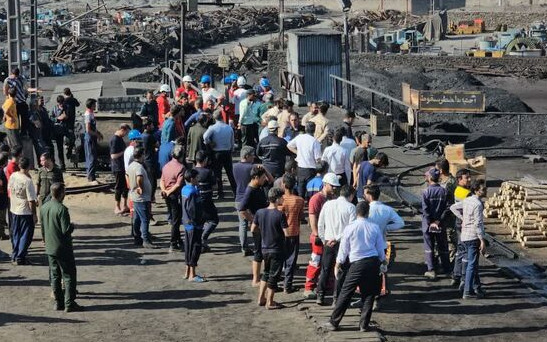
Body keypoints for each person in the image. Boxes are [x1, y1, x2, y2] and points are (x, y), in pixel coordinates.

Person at [321, 201, 387, 333]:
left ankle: (334, 322)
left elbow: (344, 250)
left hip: (357, 264)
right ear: (368, 213)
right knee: (369, 295)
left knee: (346, 292)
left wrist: (338, 263)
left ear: (356, 212)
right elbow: (381, 248)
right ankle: (364, 325)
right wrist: (383, 262)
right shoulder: (374, 227)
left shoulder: (350, 228)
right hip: (373, 263)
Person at [41, 182, 83, 312]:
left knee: (55, 275)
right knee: (69, 275)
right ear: (61, 194)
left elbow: (43, 228)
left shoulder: (44, 207)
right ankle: (69, 303)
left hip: (50, 247)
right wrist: (72, 226)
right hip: (62, 248)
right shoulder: (62, 209)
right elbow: (65, 230)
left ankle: (58, 302)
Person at [365, 185, 404, 308]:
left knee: (366, 273)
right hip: (381, 244)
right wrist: (387, 228)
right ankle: (379, 296)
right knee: (381, 271)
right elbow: (400, 223)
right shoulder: (386, 209)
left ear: (369, 195)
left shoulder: (365, 209)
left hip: (366, 246)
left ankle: (367, 297)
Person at [316, 184, 356, 306]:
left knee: (325, 269)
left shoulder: (328, 204)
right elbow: (351, 228)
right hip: (342, 243)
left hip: (327, 242)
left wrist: (323, 239)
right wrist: (337, 238)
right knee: (340, 271)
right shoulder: (351, 208)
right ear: (351, 195)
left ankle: (320, 295)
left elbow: (320, 223)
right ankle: (336, 298)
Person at [303, 173, 339, 299]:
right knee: (316, 262)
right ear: (325, 184)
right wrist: (317, 234)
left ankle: (328, 285)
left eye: (336, 186)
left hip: (329, 235)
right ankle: (309, 287)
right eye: (332, 186)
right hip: (319, 236)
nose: (335, 188)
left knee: (330, 262)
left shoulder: (333, 199)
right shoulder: (316, 199)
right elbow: (312, 217)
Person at [450, 179, 487, 299]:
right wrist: (482, 240)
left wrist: (463, 218)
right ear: (476, 191)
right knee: (472, 264)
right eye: (483, 189)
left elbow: (453, 207)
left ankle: (477, 288)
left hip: (464, 236)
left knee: (473, 263)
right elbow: (478, 224)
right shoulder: (478, 204)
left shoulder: (467, 200)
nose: (485, 191)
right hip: (473, 237)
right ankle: (467, 291)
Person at [253, 187, 287, 309]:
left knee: (266, 273)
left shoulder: (260, 212)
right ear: (277, 199)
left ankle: (261, 298)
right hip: (276, 249)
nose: (283, 198)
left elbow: (253, 229)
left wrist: (263, 233)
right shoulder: (280, 214)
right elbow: (286, 233)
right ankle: (270, 302)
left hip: (264, 248)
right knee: (274, 276)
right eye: (281, 197)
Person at [238, 165, 272, 286]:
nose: (265, 179)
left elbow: (271, 181)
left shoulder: (258, 186)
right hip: (258, 227)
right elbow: (241, 209)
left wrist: (264, 169)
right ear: (256, 177)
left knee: (263, 251)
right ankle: (256, 279)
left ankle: (262, 277)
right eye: (262, 177)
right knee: (258, 252)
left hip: (263, 224)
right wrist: (254, 220)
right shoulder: (250, 190)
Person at [421, 168, 450, 280]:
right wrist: (438, 221)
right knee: (443, 246)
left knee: (429, 247)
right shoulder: (444, 191)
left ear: (430, 178)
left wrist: (430, 222)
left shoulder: (425, 192)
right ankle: (447, 269)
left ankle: (431, 270)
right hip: (440, 224)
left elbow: (425, 210)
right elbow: (447, 208)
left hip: (428, 225)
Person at [8, 157, 38, 265]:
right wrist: (34, 214)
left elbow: (10, 189)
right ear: (29, 166)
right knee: (26, 235)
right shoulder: (27, 181)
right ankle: (20, 256)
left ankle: (15, 254)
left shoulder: (13, 176)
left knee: (16, 233)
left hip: (14, 209)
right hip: (25, 211)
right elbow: (31, 200)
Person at [203, 111, 237, 199]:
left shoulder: (212, 128)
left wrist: (210, 143)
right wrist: (232, 148)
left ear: (214, 118)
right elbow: (232, 141)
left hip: (217, 153)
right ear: (222, 116)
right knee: (230, 173)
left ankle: (220, 193)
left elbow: (205, 137)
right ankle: (235, 191)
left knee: (218, 174)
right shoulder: (228, 128)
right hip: (227, 152)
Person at [280, 174, 305, 293]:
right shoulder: (299, 200)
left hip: (280, 232)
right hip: (294, 231)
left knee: (280, 258)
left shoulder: (280, 200)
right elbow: (301, 217)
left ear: (284, 185)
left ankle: (275, 282)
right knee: (291, 259)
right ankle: (287, 284)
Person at [181, 168, 206, 282]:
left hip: (186, 223)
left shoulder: (184, 189)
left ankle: (187, 272)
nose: (198, 180)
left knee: (188, 248)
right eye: (196, 178)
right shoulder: (193, 192)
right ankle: (193, 274)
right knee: (195, 248)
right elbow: (193, 210)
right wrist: (200, 221)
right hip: (194, 224)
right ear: (192, 179)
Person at [126, 147, 154, 248]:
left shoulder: (131, 165)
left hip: (134, 196)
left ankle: (137, 238)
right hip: (142, 198)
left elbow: (127, 177)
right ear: (141, 155)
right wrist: (140, 187)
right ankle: (145, 240)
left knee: (137, 219)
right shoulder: (139, 167)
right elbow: (139, 178)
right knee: (145, 219)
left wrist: (131, 187)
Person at [160, 144, 186, 252]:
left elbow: (161, 180)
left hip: (166, 195)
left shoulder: (166, 166)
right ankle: (173, 242)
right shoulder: (181, 167)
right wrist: (170, 192)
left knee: (173, 216)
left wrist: (164, 191)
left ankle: (178, 239)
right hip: (175, 195)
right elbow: (178, 184)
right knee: (176, 220)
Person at [287, 122, 322, 198]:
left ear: (306, 129)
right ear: (314, 130)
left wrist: (297, 152)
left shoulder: (300, 137)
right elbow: (318, 159)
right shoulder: (315, 141)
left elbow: (289, 145)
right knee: (310, 190)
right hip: (311, 169)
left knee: (301, 191)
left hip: (300, 168)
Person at [233, 146, 257, 255]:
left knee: (242, 224)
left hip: (239, 197)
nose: (253, 157)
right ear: (247, 156)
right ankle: (257, 245)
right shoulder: (252, 167)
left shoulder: (235, 166)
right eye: (252, 155)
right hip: (251, 198)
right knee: (255, 221)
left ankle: (244, 247)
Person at [194, 151, 219, 253]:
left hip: (195, 201)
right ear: (205, 160)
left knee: (200, 221)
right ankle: (203, 237)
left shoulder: (191, 171)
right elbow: (215, 186)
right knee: (214, 220)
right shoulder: (208, 172)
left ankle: (200, 242)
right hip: (207, 200)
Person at [452, 168, 472, 287]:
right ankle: (464, 278)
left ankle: (456, 275)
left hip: (458, 222)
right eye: (467, 178)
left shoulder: (457, 190)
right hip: (465, 224)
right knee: (466, 251)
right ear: (460, 179)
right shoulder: (466, 194)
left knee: (460, 250)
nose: (469, 180)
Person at [436, 159, 458, 264]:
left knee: (450, 240)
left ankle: (451, 263)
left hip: (448, 216)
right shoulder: (448, 180)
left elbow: (450, 202)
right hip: (443, 215)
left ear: (440, 170)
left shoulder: (449, 183)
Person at [110, 124, 130, 215]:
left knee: (125, 187)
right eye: (126, 132)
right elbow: (113, 156)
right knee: (118, 187)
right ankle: (117, 207)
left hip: (122, 166)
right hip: (117, 167)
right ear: (122, 129)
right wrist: (124, 152)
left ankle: (125, 205)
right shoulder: (115, 140)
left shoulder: (119, 139)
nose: (126, 134)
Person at [83, 99, 103, 184]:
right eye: (94, 104)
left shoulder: (91, 114)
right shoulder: (88, 115)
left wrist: (98, 133)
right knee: (91, 157)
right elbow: (88, 129)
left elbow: (93, 127)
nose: (95, 106)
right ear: (91, 105)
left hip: (92, 137)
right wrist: (97, 134)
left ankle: (92, 176)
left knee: (93, 157)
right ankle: (91, 178)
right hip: (89, 138)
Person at [141, 118, 159, 199]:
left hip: (144, 160)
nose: (153, 126)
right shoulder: (149, 136)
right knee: (152, 181)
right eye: (151, 125)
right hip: (150, 161)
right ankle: (151, 197)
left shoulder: (141, 135)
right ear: (147, 126)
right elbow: (157, 144)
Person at [63, 88, 79, 163]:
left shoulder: (64, 101)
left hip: (66, 121)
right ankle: (69, 150)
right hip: (72, 121)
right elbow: (78, 104)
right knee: (72, 138)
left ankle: (68, 148)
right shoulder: (73, 99)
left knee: (68, 137)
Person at [0, 152, 9, 240]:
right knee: (1, 218)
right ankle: (2, 234)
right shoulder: (1, 171)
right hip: (1, 199)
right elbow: (1, 184)